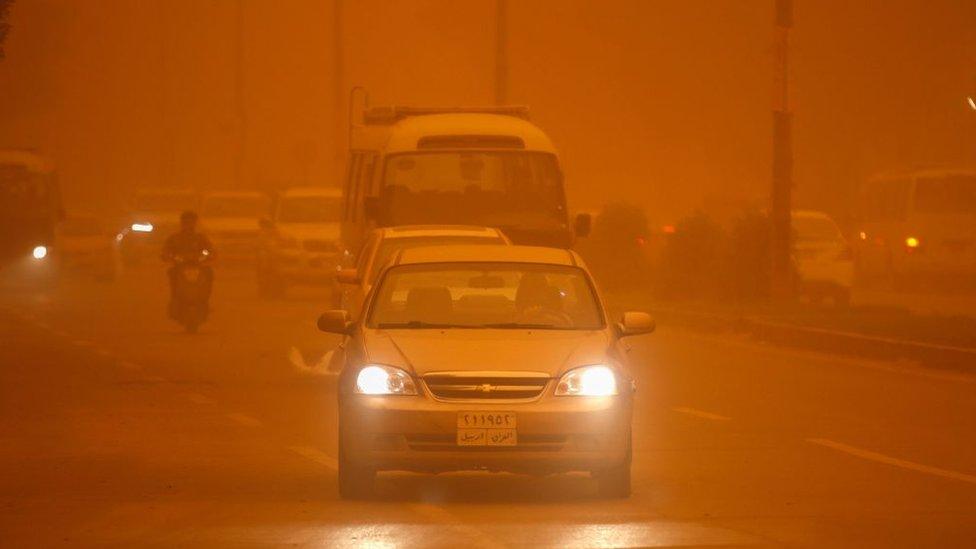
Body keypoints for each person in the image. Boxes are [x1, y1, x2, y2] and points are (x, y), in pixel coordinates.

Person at [161, 211, 215, 318]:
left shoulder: (200, 238)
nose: (189, 225)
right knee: (172, 273)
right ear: (182, 223)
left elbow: (210, 250)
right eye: (186, 222)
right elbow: (166, 251)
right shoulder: (175, 238)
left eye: (191, 222)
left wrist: (207, 256)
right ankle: (175, 298)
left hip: (198, 266)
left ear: (195, 223)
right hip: (180, 267)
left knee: (209, 273)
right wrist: (169, 257)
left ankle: (204, 299)